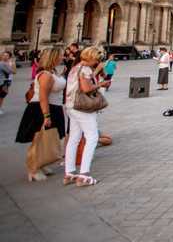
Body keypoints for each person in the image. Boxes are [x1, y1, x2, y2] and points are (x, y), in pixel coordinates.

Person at [16, 48, 67, 181]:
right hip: (42, 108)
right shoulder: (46, 75)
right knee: (39, 139)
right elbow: (43, 97)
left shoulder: (53, 72)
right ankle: (33, 169)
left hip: (54, 107)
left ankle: (42, 163)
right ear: (53, 57)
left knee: (50, 139)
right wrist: (46, 116)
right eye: (61, 55)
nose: (63, 57)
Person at [64, 46, 110, 187]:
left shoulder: (75, 68)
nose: (97, 61)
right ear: (91, 57)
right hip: (83, 108)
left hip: (71, 106)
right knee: (92, 138)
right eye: (96, 58)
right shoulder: (85, 69)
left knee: (74, 138)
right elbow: (86, 89)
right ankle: (84, 175)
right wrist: (101, 84)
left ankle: (70, 173)